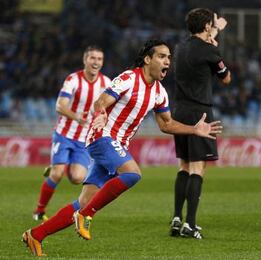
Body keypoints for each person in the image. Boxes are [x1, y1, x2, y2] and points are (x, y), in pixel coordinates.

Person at [22, 39, 222, 256]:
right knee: (132, 173)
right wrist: (100, 116)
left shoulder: (159, 92)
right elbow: (101, 102)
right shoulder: (128, 78)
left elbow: (166, 124)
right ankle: (86, 215)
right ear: (147, 59)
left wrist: (194, 130)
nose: (167, 62)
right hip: (102, 137)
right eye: (162, 56)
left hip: (116, 144)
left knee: (83, 201)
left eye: (169, 58)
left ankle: (36, 235)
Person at [169, 8, 231, 239]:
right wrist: (216, 45)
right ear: (206, 27)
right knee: (198, 168)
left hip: (179, 111)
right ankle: (190, 225)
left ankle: (176, 218)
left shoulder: (180, 47)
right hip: (200, 114)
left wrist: (215, 31)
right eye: (210, 25)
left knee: (183, 165)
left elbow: (202, 45)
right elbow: (226, 78)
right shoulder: (209, 51)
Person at [33, 46, 111, 221]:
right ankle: (39, 211)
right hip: (65, 134)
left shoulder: (106, 83)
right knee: (57, 174)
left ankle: (57, 165)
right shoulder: (73, 80)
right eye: (92, 58)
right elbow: (60, 106)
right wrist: (77, 117)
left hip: (84, 140)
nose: (96, 62)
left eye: (99, 59)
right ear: (85, 60)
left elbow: (109, 108)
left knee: (77, 178)